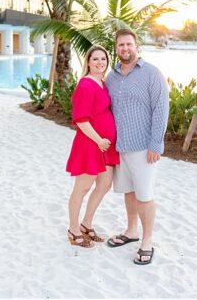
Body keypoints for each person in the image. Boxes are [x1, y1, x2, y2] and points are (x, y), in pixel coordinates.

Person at [104, 29, 169, 266]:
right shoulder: (111, 77)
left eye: (129, 44)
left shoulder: (152, 74)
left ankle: (147, 240)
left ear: (136, 46)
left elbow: (161, 110)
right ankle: (131, 231)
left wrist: (156, 144)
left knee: (144, 195)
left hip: (144, 147)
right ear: (116, 48)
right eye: (121, 45)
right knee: (129, 192)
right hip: (120, 147)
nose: (125, 48)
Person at [65, 46, 119, 249]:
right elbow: (81, 120)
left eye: (103, 59)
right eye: (95, 59)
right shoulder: (85, 86)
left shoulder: (102, 83)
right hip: (91, 144)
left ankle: (86, 224)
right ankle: (73, 228)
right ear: (88, 62)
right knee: (82, 188)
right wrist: (99, 140)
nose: (100, 62)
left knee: (104, 185)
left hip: (106, 146)